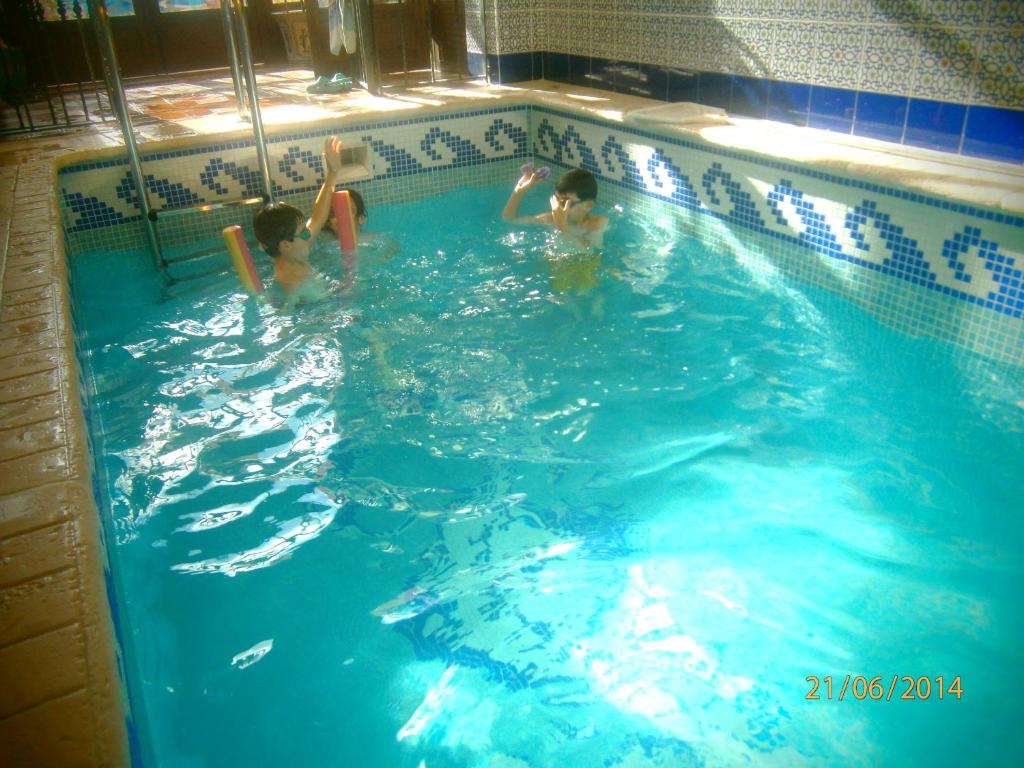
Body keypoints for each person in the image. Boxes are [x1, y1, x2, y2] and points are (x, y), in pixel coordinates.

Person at [253, 136, 343, 300]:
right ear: (285, 245)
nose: (309, 234)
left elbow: (318, 216)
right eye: (303, 232)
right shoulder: (291, 283)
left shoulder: (293, 251)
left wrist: (332, 173)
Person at [501, 166, 609, 249]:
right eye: (557, 200)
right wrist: (519, 191)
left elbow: (590, 251)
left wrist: (562, 226)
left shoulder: (596, 224)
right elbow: (509, 219)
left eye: (565, 202)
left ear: (588, 205)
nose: (557, 207)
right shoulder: (550, 219)